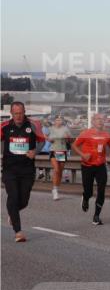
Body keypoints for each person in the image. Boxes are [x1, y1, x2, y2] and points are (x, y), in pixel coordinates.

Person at [1, 102, 45, 242]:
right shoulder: (5, 127)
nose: (19, 116)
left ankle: (13, 213)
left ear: (24, 112)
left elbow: (42, 141)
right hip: (10, 169)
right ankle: (18, 232)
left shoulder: (33, 125)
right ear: (11, 114)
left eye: (21, 113)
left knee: (24, 201)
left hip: (27, 169)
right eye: (16, 113)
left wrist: (35, 151)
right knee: (13, 196)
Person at [71, 112, 110, 226]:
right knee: (89, 191)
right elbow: (74, 145)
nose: (100, 121)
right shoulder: (85, 133)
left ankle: (96, 216)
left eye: (102, 119)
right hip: (87, 166)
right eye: (97, 119)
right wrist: (82, 155)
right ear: (92, 121)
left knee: (101, 189)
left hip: (101, 166)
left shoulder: (106, 135)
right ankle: (85, 198)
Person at [47, 115, 72, 200]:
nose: (59, 121)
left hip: (62, 151)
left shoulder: (65, 129)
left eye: (60, 120)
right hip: (53, 150)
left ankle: (56, 188)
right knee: (56, 169)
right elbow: (46, 136)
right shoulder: (51, 129)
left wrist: (67, 138)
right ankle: (55, 190)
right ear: (54, 121)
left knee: (60, 171)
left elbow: (70, 140)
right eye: (57, 120)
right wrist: (49, 139)